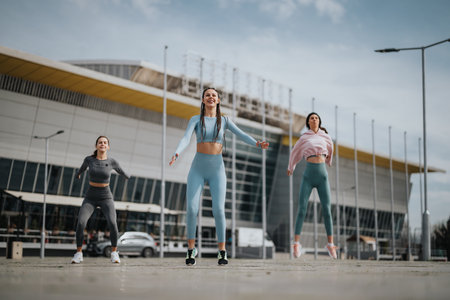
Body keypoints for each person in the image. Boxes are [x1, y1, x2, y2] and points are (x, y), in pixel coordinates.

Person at [170, 87, 269, 266]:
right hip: (197, 169)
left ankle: (222, 251)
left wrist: (257, 143)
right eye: (207, 95)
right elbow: (185, 139)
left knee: (219, 210)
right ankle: (191, 249)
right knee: (192, 209)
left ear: (218, 100)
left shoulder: (224, 120)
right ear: (202, 100)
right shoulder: (195, 119)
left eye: (214, 95)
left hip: (217, 170)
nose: (210, 97)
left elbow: (241, 135)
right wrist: (177, 152)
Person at [71, 136, 130, 264]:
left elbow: (121, 170)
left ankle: (114, 252)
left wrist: (127, 176)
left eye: (105, 143)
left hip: (106, 197)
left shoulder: (112, 161)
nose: (102, 144)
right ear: (96, 145)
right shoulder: (89, 160)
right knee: (81, 223)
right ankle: (79, 253)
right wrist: (78, 174)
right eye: (100, 142)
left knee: (113, 223)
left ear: (108, 146)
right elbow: (82, 168)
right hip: (90, 196)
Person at [287, 112, 337, 259]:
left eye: (316, 118)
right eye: (311, 118)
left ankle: (330, 244)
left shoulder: (325, 137)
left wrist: (329, 161)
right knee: (302, 208)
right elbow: (294, 151)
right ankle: (296, 244)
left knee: (327, 210)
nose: (314, 119)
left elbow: (331, 149)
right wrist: (291, 167)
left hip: (322, 176)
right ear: (308, 122)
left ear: (319, 121)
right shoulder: (304, 137)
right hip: (308, 175)